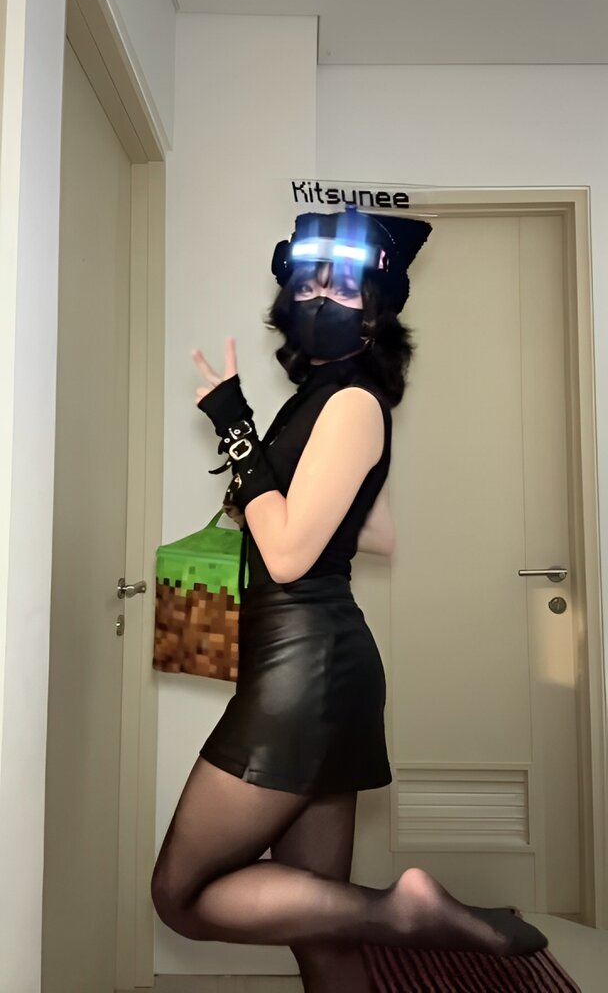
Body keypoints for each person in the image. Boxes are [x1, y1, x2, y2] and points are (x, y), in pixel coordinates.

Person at [151, 208, 549, 992]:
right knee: (316, 927)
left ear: (376, 307)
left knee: (180, 895)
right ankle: (391, 914)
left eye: (341, 286)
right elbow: (377, 532)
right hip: (319, 670)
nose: (321, 296)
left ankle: (402, 911)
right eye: (310, 282)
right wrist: (269, 487)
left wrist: (236, 429)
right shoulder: (327, 398)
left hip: (304, 672)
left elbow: (288, 555)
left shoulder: (351, 403)